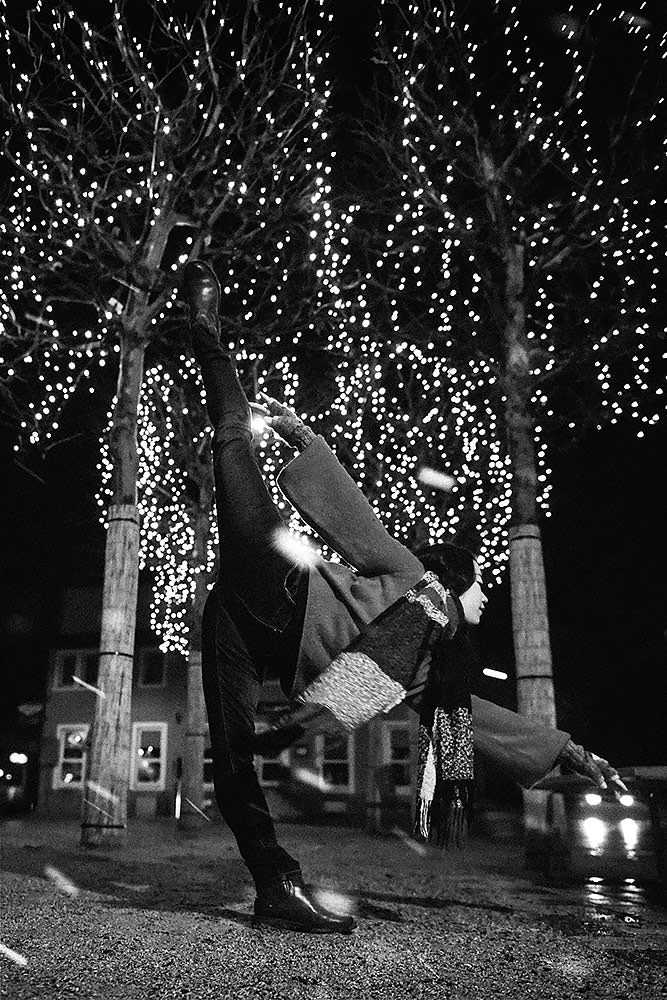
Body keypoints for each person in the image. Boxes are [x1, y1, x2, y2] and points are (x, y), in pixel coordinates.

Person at [182, 259, 626, 935]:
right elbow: (355, 520)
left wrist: (572, 754)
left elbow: (477, 726)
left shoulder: (431, 676)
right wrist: (304, 437)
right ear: (458, 583)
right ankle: (205, 332)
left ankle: (274, 884)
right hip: (275, 577)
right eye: (481, 594)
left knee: (233, 754)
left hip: (243, 630)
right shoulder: (416, 580)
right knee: (229, 441)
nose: (484, 606)